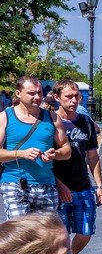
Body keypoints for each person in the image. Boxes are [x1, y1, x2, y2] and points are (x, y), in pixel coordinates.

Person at [50, 81, 102, 254]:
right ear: (57, 98)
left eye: (76, 96)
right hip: (57, 186)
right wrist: (58, 184)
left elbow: (92, 156)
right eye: (69, 97)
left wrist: (99, 184)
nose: (74, 100)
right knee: (60, 235)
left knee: (86, 232)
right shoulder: (50, 122)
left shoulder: (86, 123)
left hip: (82, 185)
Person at [0, 77, 70, 220]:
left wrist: (55, 154)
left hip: (46, 185)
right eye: (32, 93)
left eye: (39, 92)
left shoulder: (52, 118)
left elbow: (66, 150)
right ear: (18, 93)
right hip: (15, 184)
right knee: (20, 235)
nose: (37, 97)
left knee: (46, 238)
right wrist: (21, 153)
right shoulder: (5, 117)